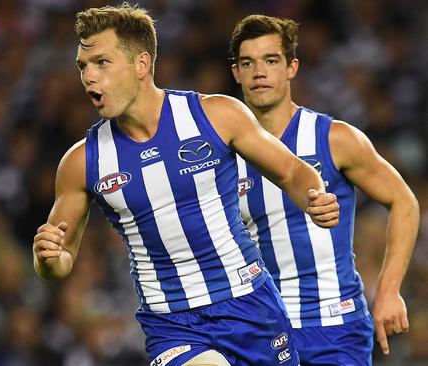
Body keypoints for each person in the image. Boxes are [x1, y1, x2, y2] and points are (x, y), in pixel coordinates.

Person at [32, 4, 340, 366]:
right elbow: (60, 262)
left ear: (141, 64)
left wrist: (314, 196)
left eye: (102, 62)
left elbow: (292, 171)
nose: (88, 77)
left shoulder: (217, 116)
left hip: (249, 305)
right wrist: (47, 257)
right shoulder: (82, 161)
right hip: (172, 324)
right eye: (83, 66)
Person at [229, 14, 419, 365]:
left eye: (271, 61)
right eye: (248, 63)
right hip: (260, 329)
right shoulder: (222, 155)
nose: (259, 72)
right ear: (236, 73)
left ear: (291, 68)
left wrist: (390, 291)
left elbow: (404, 201)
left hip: (335, 327)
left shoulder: (335, 139)